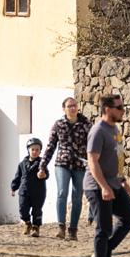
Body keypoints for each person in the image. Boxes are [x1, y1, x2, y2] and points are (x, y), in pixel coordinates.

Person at [86, 93, 130, 257]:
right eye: (119, 108)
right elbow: (93, 161)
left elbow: (117, 156)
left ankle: (105, 251)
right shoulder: (98, 131)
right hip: (97, 186)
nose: (123, 111)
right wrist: (104, 187)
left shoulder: (114, 128)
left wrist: (122, 179)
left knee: (129, 217)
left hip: (114, 184)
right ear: (107, 109)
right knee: (104, 228)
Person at [39, 95, 92, 240]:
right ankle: (61, 227)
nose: (73, 108)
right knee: (62, 193)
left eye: (75, 105)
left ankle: (73, 230)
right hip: (62, 163)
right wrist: (42, 166)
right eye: (70, 106)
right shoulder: (58, 124)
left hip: (80, 165)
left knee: (77, 197)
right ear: (64, 109)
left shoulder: (86, 124)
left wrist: (95, 163)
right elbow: (50, 146)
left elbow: (93, 144)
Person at [10, 137, 48, 236]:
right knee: (23, 209)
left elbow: (46, 174)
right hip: (24, 191)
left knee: (37, 211)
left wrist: (44, 175)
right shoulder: (22, 164)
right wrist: (13, 188)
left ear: (40, 151)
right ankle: (27, 223)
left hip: (38, 192)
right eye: (32, 149)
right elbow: (18, 177)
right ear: (28, 150)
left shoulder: (42, 163)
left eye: (37, 150)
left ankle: (36, 227)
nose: (35, 152)